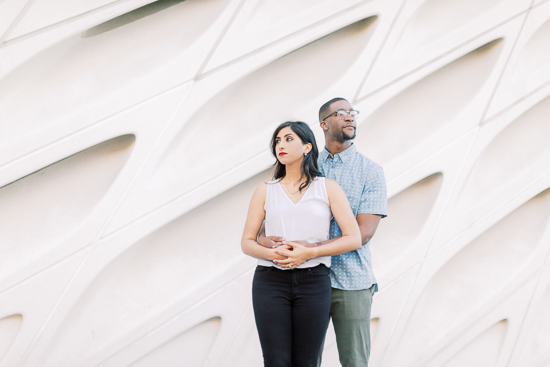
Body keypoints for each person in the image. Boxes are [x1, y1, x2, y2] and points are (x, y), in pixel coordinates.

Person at [259, 98, 387, 367]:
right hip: (303, 279)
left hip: (350, 281)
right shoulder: (301, 161)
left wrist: (310, 250)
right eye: (342, 113)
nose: (350, 117)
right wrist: (267, 242)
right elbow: (265, 225)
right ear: (323, 124)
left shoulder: (371, 172)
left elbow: (362, 233)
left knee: (354, 362)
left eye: (353, 113)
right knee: (304, 362)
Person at [241, 121, 362, 367]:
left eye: (288, 139)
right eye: (277, 141)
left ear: (307, 147)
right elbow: (247, 242)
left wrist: (309, 252)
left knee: (306, 362)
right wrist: (273, 252)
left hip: (314, 282)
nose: (280, 145)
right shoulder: (265, 190)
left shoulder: (327, 188)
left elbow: (354, 238)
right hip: (269, 281)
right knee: (276, 361)